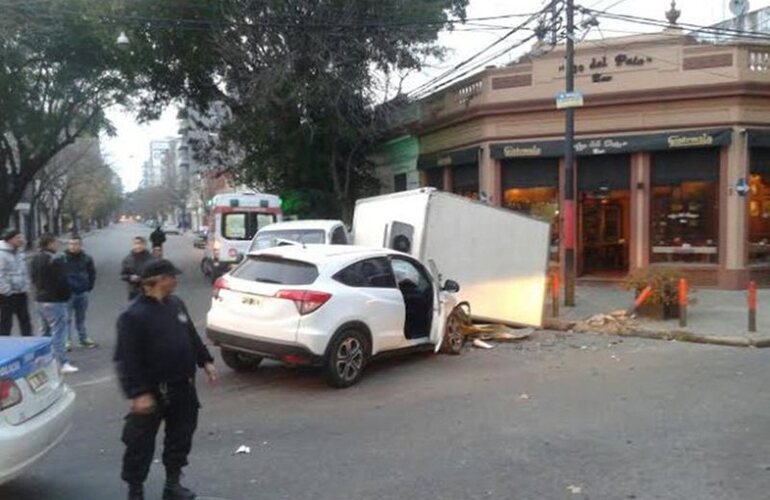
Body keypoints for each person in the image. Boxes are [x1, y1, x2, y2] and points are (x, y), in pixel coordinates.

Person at [115, 259, 217, 500]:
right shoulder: (133, 315)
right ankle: (135, 491)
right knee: (139, 445)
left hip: (182, 387)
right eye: (172, 276)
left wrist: (206, 360)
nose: (176, 280)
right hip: (152, 391)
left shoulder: (176, 304)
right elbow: (126, 358)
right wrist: (138, 392)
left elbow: (190, 334)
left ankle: (172, 485)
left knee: (180, 438)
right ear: (159, 280)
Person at [31, 233, 78, 374]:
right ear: (50, 243)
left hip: (40, 298)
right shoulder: (54, 260)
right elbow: (61, 281)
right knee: (58, 332)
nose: (57, 245)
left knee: (44, 331)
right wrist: (66, 295)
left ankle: (42, 360)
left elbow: (33, 278)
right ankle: (62, 362)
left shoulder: (35, 259)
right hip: (55, 300)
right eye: (56, 242)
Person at [62, 235, 98, 349]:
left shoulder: (87, 258)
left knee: (81, 318)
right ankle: (66, 340)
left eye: (76, 244)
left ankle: (83, 338)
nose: (73, 246)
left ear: (81, 245)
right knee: (66, 319)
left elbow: (92, 273)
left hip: (82, 292)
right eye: (71, 244)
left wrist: (89, 286)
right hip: (66, 293)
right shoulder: (62, 258)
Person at [0, 229, 32, 336]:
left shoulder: (19, 252)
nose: (21, 240)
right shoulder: (2, 254)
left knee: (25, 320)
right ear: (10, 239)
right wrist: (6, 291)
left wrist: (26, 287)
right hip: (7, 294)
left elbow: (24, 271)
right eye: (18, 237)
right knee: (6, 321)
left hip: (21, 291)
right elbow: (1, 275)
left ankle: (28, 343)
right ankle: (4, 346)